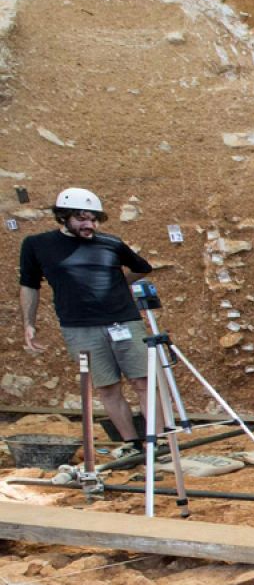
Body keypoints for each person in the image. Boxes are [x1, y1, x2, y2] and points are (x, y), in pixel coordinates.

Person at [19, 188, 155, 453]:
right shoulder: (37, 245)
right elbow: (29, 285)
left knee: (144, 382)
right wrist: (29, 322)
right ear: (64, 217)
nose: (89, 225)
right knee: (107, 387)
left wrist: (117, 285)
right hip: (79, 327)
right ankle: (131, 445)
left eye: (93, 219)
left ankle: (158, 443)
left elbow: (142, 268)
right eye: (82, 218)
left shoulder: (111, 243)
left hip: (123, 321)